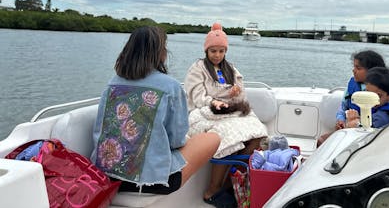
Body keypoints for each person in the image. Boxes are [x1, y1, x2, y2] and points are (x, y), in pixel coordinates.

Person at [91, 26, 220, 195]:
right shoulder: (170, 86)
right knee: (212, 138)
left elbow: (99, 132)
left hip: (105, 176)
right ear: (160, 53)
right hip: (153, 183)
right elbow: (177, 141)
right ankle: (214, 190)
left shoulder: (112, 85)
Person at [184, 22, 267, 205]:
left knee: (258, 132)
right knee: (228, 135)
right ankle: (212, 189)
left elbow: (241, 94)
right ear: (206, 50)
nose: (217, 55)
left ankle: (231, 182)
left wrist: (235, 94)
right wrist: (214, 101)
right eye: (213, 51)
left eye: (221, 51)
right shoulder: (197, 68)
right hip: (204, 112)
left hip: (229, 111)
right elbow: (197, 97)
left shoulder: (230, 68)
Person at [317, 50, 386, 146]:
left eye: (358, 68)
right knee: (321, 141)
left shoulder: (380, 90)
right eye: (354, 67)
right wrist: (340, 119)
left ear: (372, 71)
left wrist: (356, 122)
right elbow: (343, 106)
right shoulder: (352, 85)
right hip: (349, 127)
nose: (353, 70)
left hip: (366, 134)